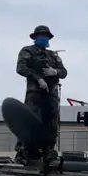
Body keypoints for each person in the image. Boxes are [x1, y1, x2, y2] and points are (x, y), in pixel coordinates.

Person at [15, 25, 67, 163]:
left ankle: (48, 152)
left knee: (51, 124)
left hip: (51, 94)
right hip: (35, 92)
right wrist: (38, 78)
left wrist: (54, 72)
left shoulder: (53, 56)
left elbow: (64, 72)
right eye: (41, 36)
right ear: (35, 37)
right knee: (31, 120)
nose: (44, 38)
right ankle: (24, 152)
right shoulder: (28, 51)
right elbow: (21, 68)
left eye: (46, 36)